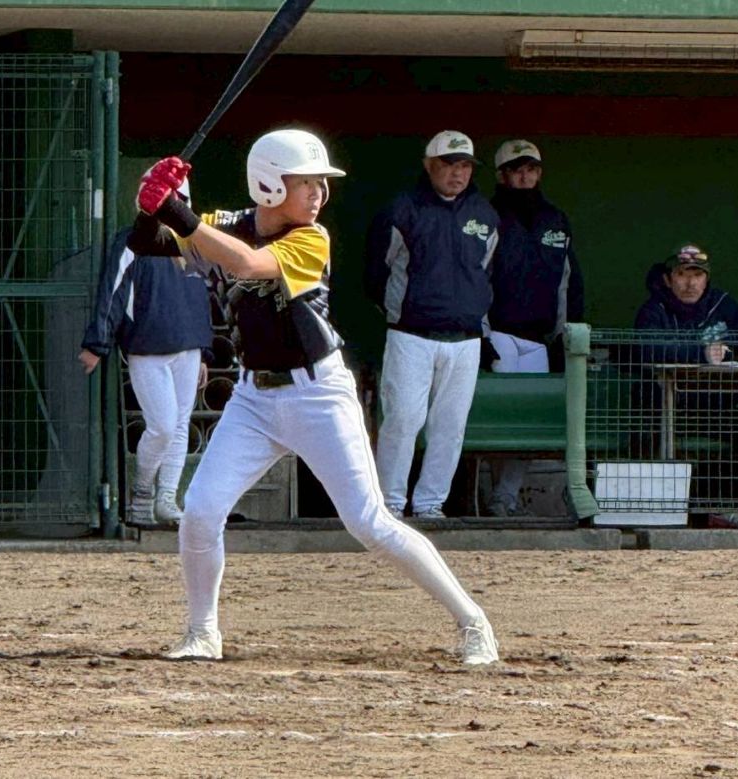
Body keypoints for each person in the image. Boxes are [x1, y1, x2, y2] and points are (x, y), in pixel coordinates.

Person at [131, 128, 499, 666]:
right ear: (270, 184)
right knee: (200, 514)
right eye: (306, 183)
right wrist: (149, 207)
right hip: (253, 399)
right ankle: (202, 632)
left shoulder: (313, 238)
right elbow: (149, 244)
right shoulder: (224, 224)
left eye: (320, 184)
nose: (318, 194)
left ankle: (473, 622)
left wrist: (174, 210)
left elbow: (246, 264)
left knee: (369, 523)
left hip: (319, 395)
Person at [364, 130, 498, 519]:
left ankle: (429, 504)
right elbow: (376, 273)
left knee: (450, 427)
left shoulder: (485, 215)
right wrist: (402, 312)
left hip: (465, 338)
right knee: (403, 420)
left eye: (465, 165)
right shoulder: (403, 209)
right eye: (448, 164)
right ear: (429, 165)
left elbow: (486, 272)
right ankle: (390, 505)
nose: (457, 173)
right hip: (411, 335)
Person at [79, 175, 212, 527]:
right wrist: (97, 343)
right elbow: (114, 290)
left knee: (179, 425)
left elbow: (204, 296)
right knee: (164, 426)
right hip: (148, 346)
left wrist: (205, 349)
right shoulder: (133, 240)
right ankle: (142, 494)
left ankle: (166, 498)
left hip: (189, 347)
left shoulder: (195, 243)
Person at [483, 139, 584, 517]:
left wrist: (563, 336)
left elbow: (568, 284)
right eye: (516, 170)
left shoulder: (555, 219)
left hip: (539, 338)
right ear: (502, 175)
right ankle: (483, 495)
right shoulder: (487, 215)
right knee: (499, 422)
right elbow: (476, 279)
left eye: (531, 169)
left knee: (528, 425)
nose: (524, 176)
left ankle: (504, 498)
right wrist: (481, 335)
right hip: (498, 332)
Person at [634, 243, 738, 504]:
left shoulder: (723, 304)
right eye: (682, 275)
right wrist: (701, 353)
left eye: (697, 275)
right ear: (668, 279)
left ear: (706, 279)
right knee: (644, 435)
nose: (690, 283)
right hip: (665, 411)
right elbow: (648, 349)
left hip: (716, 411)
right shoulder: (654, 309)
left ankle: (729, 505)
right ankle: (659, 507)